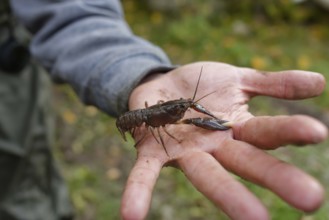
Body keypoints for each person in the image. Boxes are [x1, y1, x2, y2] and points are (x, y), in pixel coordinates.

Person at [1, 0, 327, 220]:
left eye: (183, 107)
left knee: (25, 182)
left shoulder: (176, 110)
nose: (185, 109)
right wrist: (158, 120)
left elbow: (68, 9)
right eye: (181, 107)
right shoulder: (156, 121)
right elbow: (165, 123)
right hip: (133, 119)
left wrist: (147, 75)